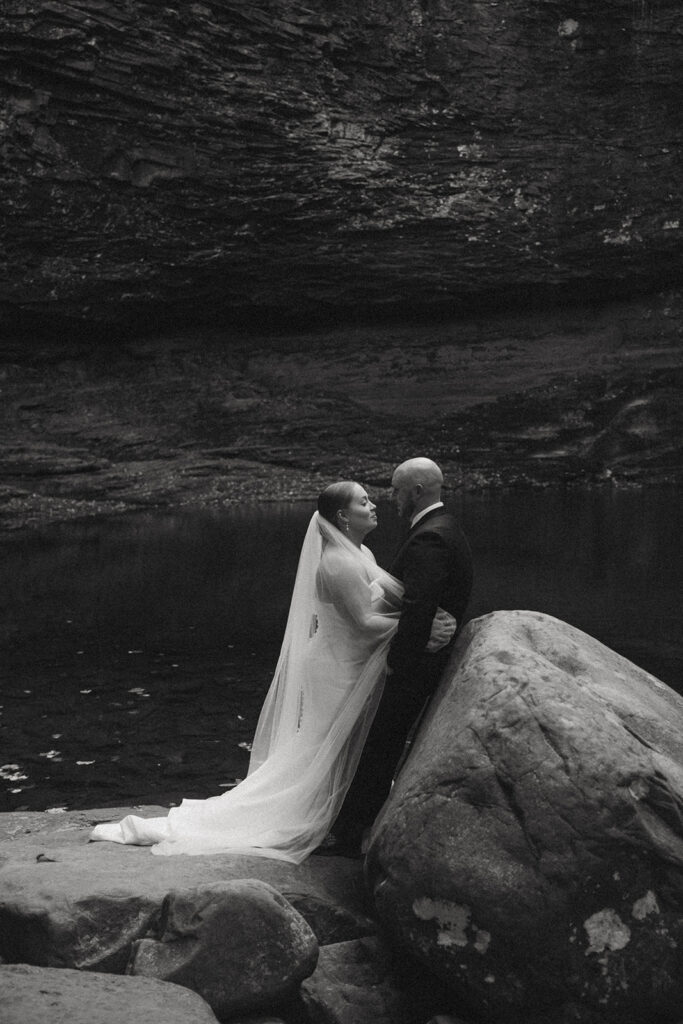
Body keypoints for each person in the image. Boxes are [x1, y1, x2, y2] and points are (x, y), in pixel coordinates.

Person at [89, 481, 455, 863]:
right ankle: (314, 818)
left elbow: (374, 611)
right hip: (336, 667)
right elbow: (364, 623)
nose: (374, 505)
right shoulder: (339, 562)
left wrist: (419, 618)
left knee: (341, 747)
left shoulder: (358, 551)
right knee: (322, 750)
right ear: (344, 516)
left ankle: (343, 818)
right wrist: (421, 628)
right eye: (364, 502)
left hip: (348, 660)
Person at [330, 457, 473, 856]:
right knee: (380, 744)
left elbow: (419, 603)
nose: (391, 499)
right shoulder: (442, 527)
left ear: (416, 492)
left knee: (380, 746)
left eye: (396, 491)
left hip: (414, 665)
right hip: (419, 656)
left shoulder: (430, 536)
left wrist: (399, 659)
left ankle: (352, 833)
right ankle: (357, 827)